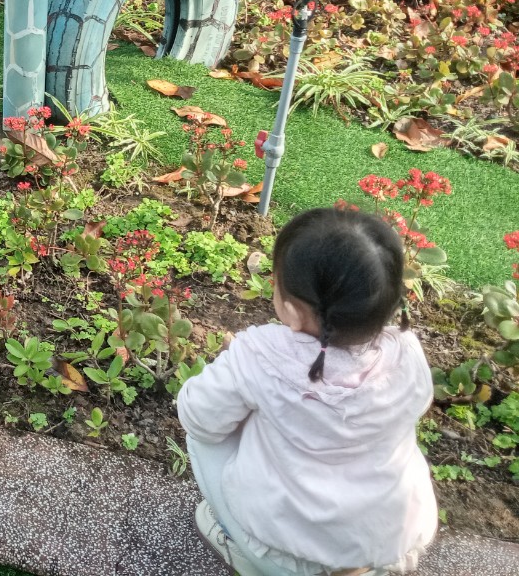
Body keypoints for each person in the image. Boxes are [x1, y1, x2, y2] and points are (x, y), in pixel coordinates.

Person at [177, 207, 437, 575]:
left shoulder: (259, 355)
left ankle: (243, 549)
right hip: (390, 544)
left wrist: (238, 373)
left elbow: (199, 417)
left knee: (204, 434)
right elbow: (419, 403)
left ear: (293, 311)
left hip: (285, 554)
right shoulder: (408, 353)